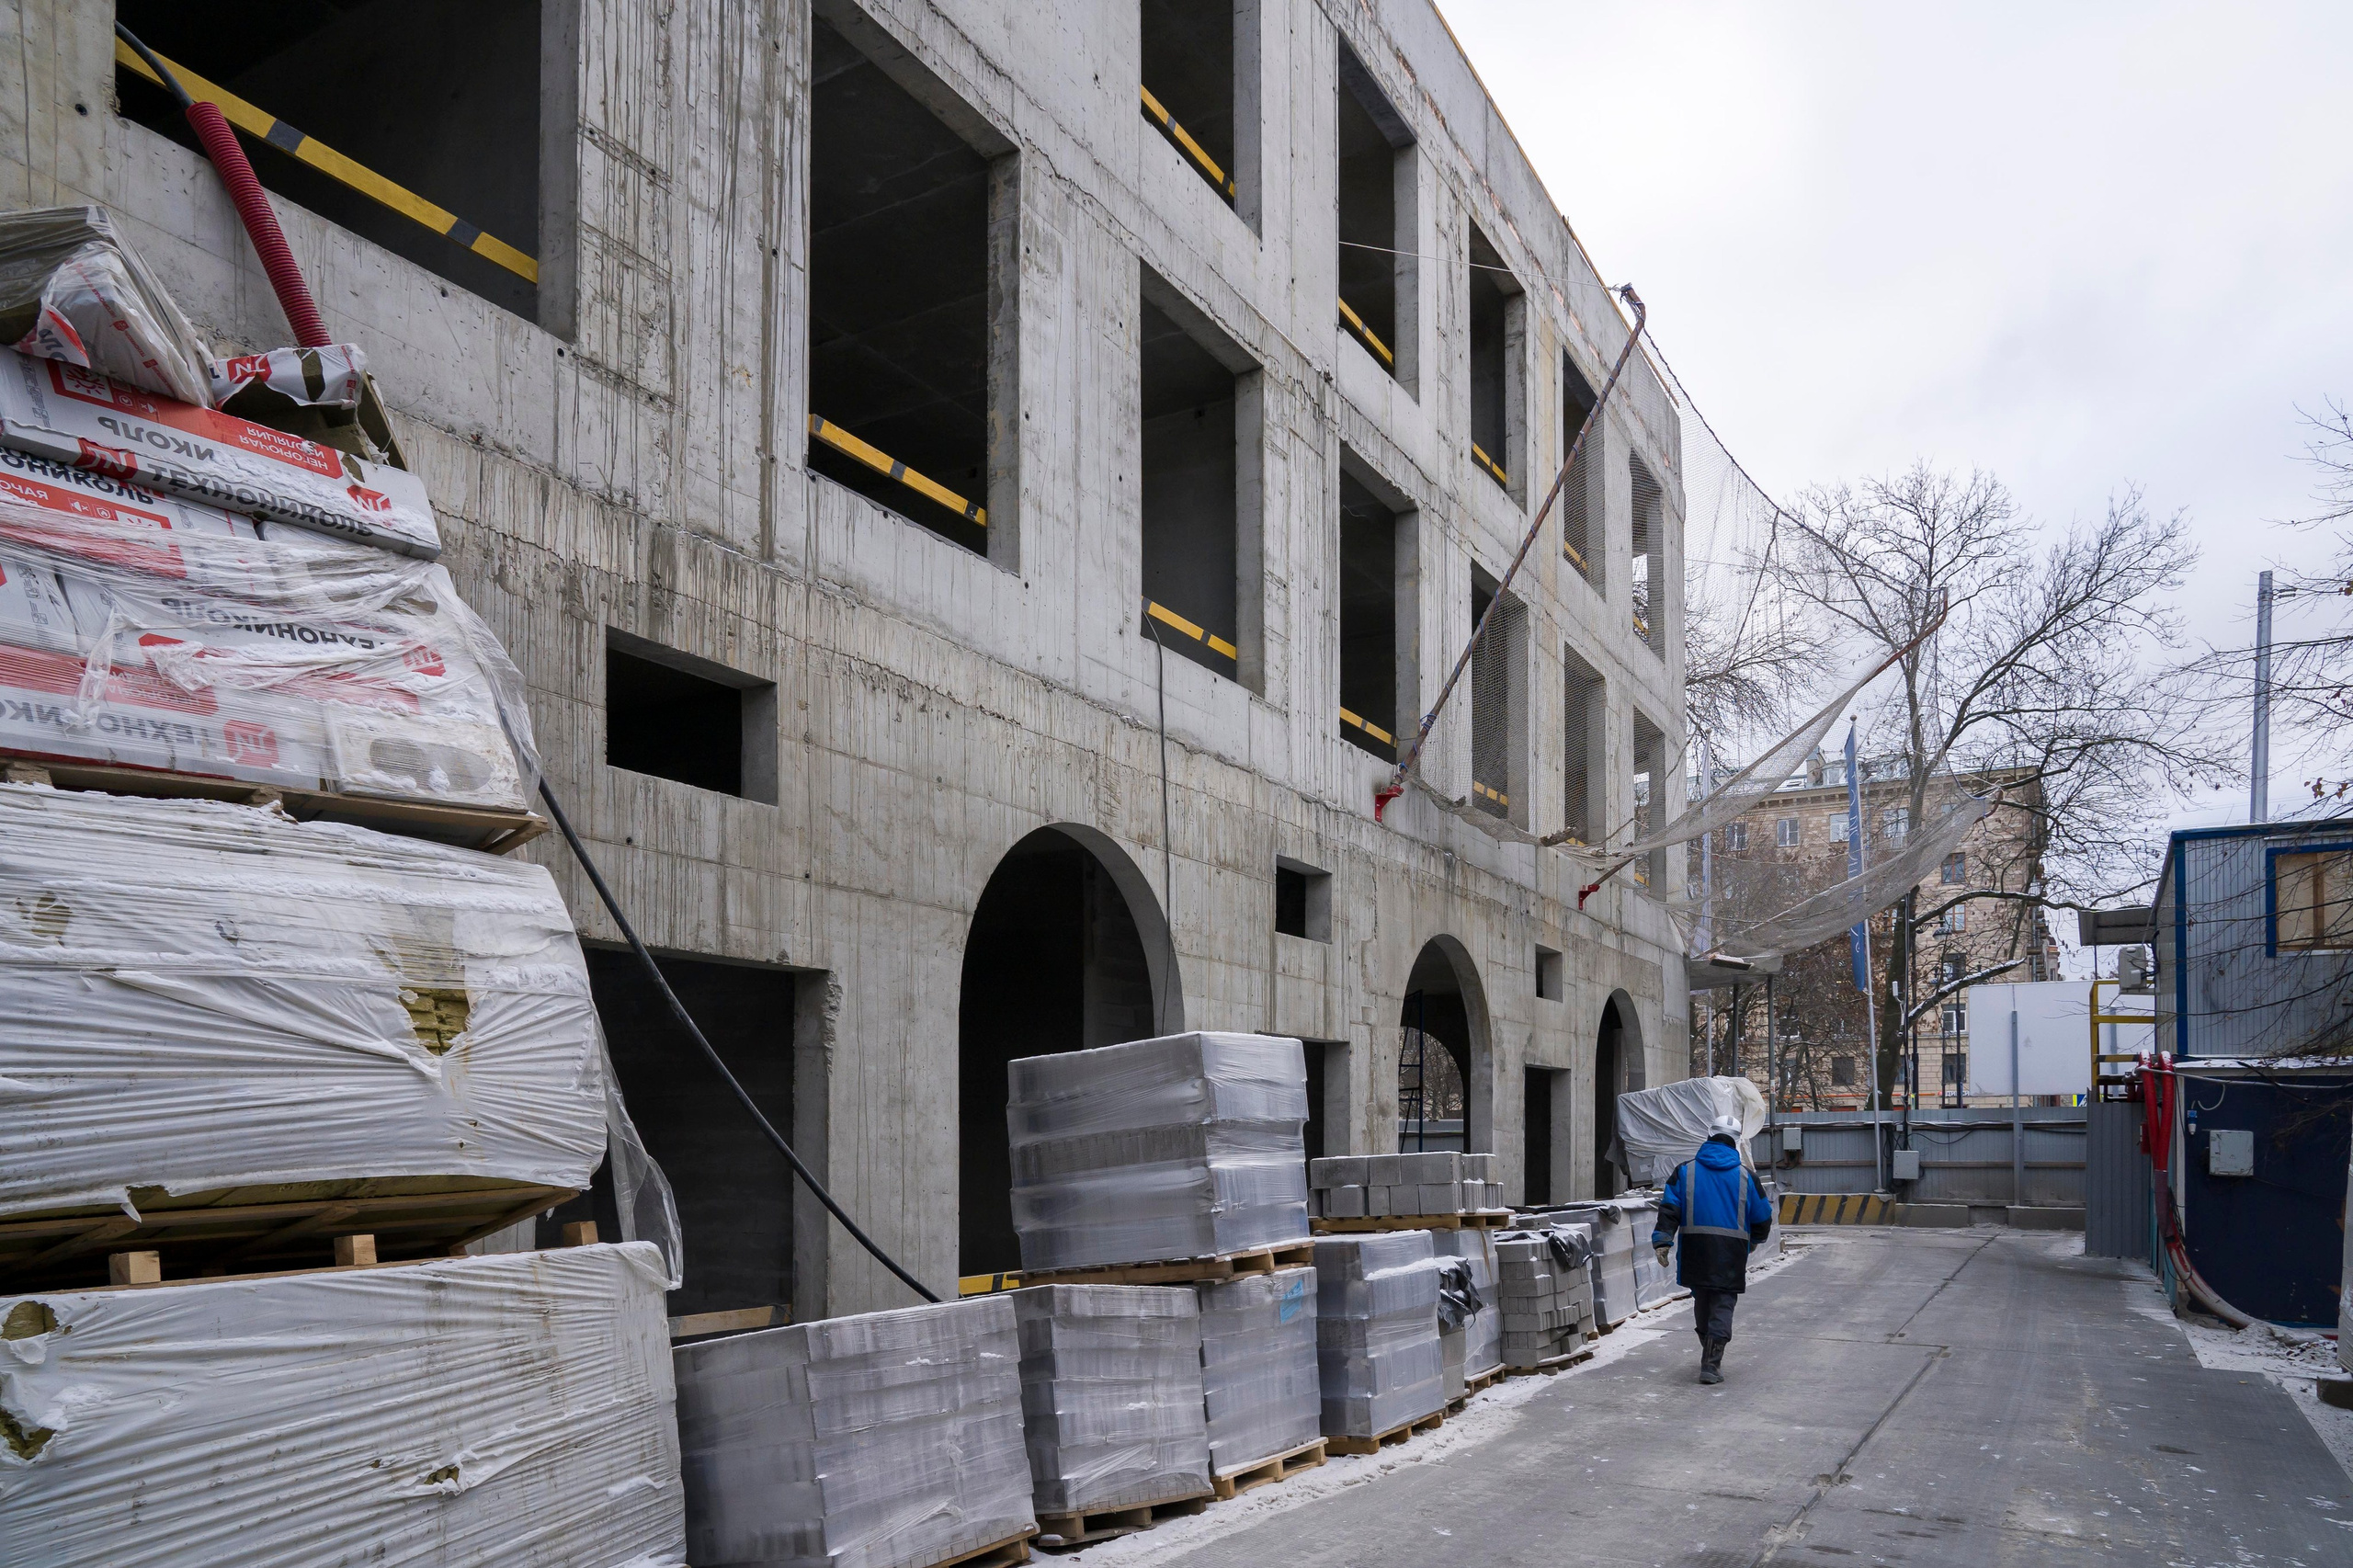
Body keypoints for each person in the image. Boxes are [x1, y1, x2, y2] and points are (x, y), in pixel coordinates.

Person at [1652, 1112, 1773, 1384]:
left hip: (1696, 1249)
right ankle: (1712, 1362)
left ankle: (1708, 1350)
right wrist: (1754, 1242)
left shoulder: (1685, 1171)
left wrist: (1662, 1241)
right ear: (1736, 1142)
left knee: (1703, 1299)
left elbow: (1670, 1209)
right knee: (1723, 1302)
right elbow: (1763, 1218)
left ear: (1709, 1134)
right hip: (1731, 1252)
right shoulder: (1747, 1177)